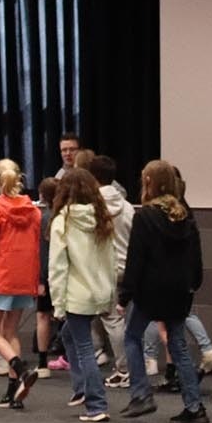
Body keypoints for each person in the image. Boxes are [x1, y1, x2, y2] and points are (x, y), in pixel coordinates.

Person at [119, 160, 210, 423]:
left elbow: (136, 259)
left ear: (148, 182)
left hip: (151, 290)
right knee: (178, 345)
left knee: (132, 337)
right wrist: (194, 283)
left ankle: (140, 393)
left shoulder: (145, 216)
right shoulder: (185, 215)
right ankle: (195, 407)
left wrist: (125, 295)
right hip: (180, 291)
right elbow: (196, 256)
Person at [49, 168, 118, 423]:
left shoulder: (62, 222)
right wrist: (111, 296)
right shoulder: (103, 219)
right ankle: (81, 389)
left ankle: (96, 404)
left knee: (85, 347)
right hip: (99, 291)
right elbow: (111, 261)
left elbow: (58, 267)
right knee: (70, 335)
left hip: (76, 295)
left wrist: (58, 305)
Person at [0, 159, 42, 409]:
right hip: (24, 278)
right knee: (10, 332)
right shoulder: (34, 211)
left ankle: (18, 366)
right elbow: (37, 247)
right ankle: (12, 392)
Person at [89, 155, 134, 390]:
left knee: (112, 319)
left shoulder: (93, 207)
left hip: (107, 269)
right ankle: (129, 366)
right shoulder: (126, 205)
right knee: (124, 319)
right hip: (129, 268)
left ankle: (125, 369)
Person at [34, 176, 62, 377]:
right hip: (63, 274)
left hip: (49, 274)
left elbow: (43, 252)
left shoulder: (45, 218)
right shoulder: (63, 215)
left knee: (43, 316)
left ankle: (43, 362)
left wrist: (41, 279)